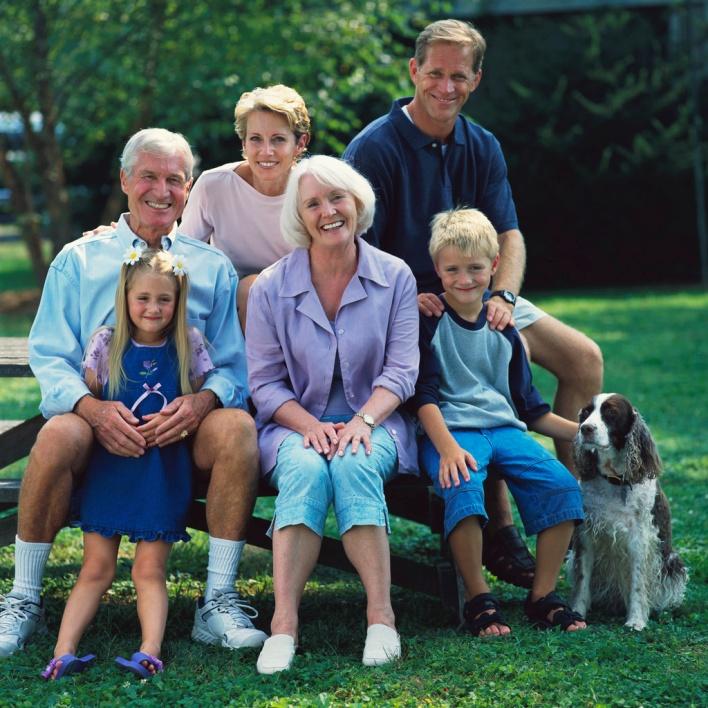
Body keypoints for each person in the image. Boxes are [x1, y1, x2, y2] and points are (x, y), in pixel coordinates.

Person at [344, 18, 603, 588]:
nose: (445, 86)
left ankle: (578, 515)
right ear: (414, 71)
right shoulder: (375, 147)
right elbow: (354, 251)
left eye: (458, 76)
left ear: (476, 79)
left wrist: (504, 296)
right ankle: (499, 527)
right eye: (434, 73)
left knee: (584, 358)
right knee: (463, 389)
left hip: (481, 292)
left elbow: (508, 233)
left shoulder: (481, 144)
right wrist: (414, 295)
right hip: (406, 303)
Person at [0, 128, 266, 660]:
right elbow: (50, 355)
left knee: (237, 428)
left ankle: (217, 601)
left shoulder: (209, 266)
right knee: (56, 434)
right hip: (95, 421)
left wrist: (201, 403)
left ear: (188, 189)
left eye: (174, 179)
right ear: (125, 180)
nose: (160, 190)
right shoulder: (80, 259)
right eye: (148, 175)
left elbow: (234, 369)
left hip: (180, 431)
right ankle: (24, 600)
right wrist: (91, 409)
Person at [246, 155, 419, 673]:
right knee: (302, 468)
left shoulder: (395, 276)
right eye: (313, 204)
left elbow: (403, 370)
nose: (328, 212)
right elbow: (264, 383)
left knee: (353, 463)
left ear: (357, 202)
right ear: (299, 216)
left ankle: (381, 617)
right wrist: (311, 426)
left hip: (376, 420)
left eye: (337, 198)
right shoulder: (271, 287)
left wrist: (362, 422)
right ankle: (283, 624)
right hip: (294, 424)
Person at [413, 208, 587, 635]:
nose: (465, 279)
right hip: (450, 432)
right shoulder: (427, 322)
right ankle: (478, 598)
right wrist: (449, 449)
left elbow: (532, 410)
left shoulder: (505, 329)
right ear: (438, 269)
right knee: (464, 485)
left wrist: (585, 435)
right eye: (452, 269)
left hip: (505, 430)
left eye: (475, 269)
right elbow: (423, 397)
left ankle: (542, 595)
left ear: (494, 267)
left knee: (561, 485)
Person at [42, 249, 213, 680]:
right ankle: (63, 651)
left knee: (149, 568)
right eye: (143, 299)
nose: (153, 308)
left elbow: (199, 399)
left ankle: (149, 650)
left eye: (164, 299)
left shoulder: (189, 344)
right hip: (111, 470)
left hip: (159, 473)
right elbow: (91, 399)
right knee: (95, 568)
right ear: (125, 297)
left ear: (178, 300)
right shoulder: (105, 343)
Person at [180, 84, 310, 330]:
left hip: (301, 302)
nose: (266, 151)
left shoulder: (314, 191)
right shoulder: (214, 185)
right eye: (255, 139)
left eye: (278, 139)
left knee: (255, 288)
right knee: (250, 288)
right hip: (230, 304)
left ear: (301, 143)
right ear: (243, 142)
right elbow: (184, 256)